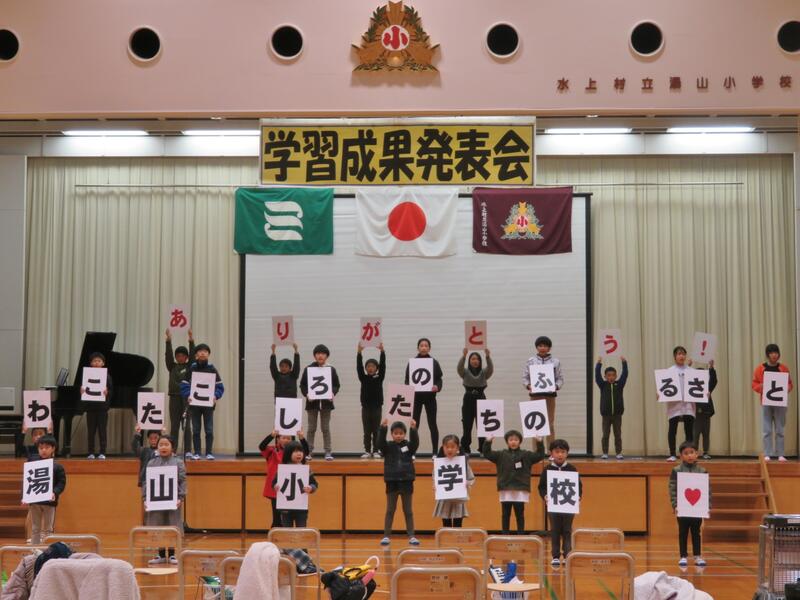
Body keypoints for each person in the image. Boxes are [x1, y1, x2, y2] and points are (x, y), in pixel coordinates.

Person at [483, 430, 544, 535]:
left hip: (520, 489)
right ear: (507, 441)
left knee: (520, 514)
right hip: (506, 489)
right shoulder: (501, 454)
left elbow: (540, 455)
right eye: (511, 440)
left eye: (516, 440)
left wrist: (539, 442)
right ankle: (505, 535)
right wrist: (488, 442)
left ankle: (521, 535)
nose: (513, 442)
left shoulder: (526, 454)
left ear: (520, 441)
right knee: (505, 515)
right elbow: (487, 454)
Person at [538, 439, 582, 566]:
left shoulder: (572, 469)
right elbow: (541, 487)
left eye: (563, 452)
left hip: (568, 505)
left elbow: (579, 486)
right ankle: (555, 556)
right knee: (555, 530)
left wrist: (578, 497)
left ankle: (567, 554)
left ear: (567, 453)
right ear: (551, 453)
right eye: (557, 452)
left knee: (567, 530)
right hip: (553, 505)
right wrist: (545, 496)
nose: (560, 455)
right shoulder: (547, 469)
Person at [144, 435, 186, 565]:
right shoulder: (151, 463)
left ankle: (172, 554)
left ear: (172, 447)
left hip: (173, 501)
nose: (163, 447)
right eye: (161, 444)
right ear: (157, 447)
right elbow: (146, 482)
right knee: (158, 525)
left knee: (172, 524)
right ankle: (161, 554)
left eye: (166, 444)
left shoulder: (178, 462)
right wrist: (145, 498)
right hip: (156, 501)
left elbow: (182, 480)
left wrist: (181, 497)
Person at [378, 419, 420, 546]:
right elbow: (380, 443)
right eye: (395, 433)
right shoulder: (387, 447)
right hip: (392, 482)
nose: (398, 435)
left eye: (401, 433)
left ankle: (411, 536)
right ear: (391, 434)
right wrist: (383, 428)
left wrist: (413, 429)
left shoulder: (409, 446)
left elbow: (415, 443)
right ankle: (386, 536)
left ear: (404, 434)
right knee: (390, 510)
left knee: (408, 511)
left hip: (407, 482)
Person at [179, 343, 224, 460]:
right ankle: (197, 452)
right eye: (200, 351)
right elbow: (184, 385)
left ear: (208, 354)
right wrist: (188, 395)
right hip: (194, 405)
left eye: (205, 351)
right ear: (196, 355)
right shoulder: (192, 368)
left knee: (209, 430)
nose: (203, 353)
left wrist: (215, 396)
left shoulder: (212, 369)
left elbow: (220, 387)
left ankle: (209, 452)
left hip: (208, 405)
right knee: (196, 430)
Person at [669, 441, 709, 567]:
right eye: (686, 453)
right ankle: (683, 556)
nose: (689, 455)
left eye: (692, 452)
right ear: (681, 456)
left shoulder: (702, 471)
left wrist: (707, 506)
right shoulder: (676, 470)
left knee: (696, 532)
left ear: (697, 454)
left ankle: (697, 556)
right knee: (683, 532)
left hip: (697, 509)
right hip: (682, 508)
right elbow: (672, 488)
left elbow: (707, 490)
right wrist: (675, 504)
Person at [259, 429, 309, 529]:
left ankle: (288, 537)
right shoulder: (272, 451)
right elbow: (262, 447)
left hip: (291, 489)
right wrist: (271, 435)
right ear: (278, 439)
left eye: (288, 438)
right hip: (276, 488)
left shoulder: (294, 453)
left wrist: (302, 438)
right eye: (283, 438)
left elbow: (306, 452)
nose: (286, 440)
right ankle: (275, 537)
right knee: (277, 518)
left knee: (288, 518)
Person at [752, 343, 794, 462]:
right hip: (766, 402)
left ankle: (780, 453)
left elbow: (790, 384)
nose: (774, 355)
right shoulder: (760, 368)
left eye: (776, 352)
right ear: (767, 355)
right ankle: (767, 453)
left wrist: (787, 388)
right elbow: (754, 384)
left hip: (780, 403)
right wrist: (760, 387)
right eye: (771, 353)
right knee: (767, 430)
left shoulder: (783, 368)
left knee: (780, 429)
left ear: (778, 354)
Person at [23, 434, 66, 544]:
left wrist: (54, 492)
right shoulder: (32, 463)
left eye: (47, 447)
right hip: (35, 501)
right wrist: (25, 496)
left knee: (48, 529)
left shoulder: (57, 466)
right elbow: (27, 480)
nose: (44, 450)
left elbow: (61, 483)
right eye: (41, 448)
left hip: (49, 502)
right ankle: (35, 550)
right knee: (35, 528)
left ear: (53, 448)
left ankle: (48, 550)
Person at [300, 344, 340, 461]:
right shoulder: (308, 369)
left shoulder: (331, 369)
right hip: (312, 403)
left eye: (323, 353)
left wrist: (332, 393)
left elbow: (336, 385)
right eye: (318, 353)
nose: (320, 356)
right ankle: (308, 451)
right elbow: (302, 385)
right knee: (311, 428)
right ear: (314, 356)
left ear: (327, 356)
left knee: (325, 428)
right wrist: (307, 394)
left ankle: (328, 452)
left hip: (326, 404)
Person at [404, 338, 443, 453]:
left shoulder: (434, 362)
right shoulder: (412, 362)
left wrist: (437, 387)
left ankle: (435, 452)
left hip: (430, 398)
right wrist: (409, 387)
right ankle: (412, 452)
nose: (424, 348)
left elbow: (439, 379)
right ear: (418, 348)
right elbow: (407, 379)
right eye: (421, 345)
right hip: (416, 398)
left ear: (429, 348)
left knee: (432, 424)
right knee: (414, 425)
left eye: (426, 346)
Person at [522, 336, 563, 445]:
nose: (543, 348)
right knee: (536, 424)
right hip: (535, 396)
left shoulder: (555, 361)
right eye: (540, 346)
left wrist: (556, 386)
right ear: (536, 347)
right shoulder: (531, 361)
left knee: (550, 424)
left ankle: (551, 451)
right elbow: (525, 378)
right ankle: (537, 451)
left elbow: (560, 378)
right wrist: (529, 386)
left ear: (549, 348)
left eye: (545, 346)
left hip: (550, 396)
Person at [165, 328, 195, 459]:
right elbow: (168, 356)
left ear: (186, 357)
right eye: (178, 356)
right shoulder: (172, 366)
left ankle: (188, 450)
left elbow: (193, 355)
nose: (180, 357)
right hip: (174, 398)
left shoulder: (190, 366)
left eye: (183, 355)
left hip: (186, 398)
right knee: (174, 426)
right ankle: (173, 449)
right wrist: (168, 341)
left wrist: (191, 340)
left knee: (186, 425)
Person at [457, 347, 494, 455]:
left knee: (482, 426)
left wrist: (488, 356)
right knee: (467, 426)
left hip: (481, 399)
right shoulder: (465, 372)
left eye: (477, 359)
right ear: (469, 361)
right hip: (468, 400)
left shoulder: (483, 373)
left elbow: (490, 369)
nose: (475, 361)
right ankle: (465, 449)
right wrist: (464, 356)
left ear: (480, 361)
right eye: (472, 359)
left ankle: (483, 449)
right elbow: (459, 368)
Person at [433, 434, 474, 528]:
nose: (449, 449)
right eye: (447, 447)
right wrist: (435, 485)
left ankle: (457, 538)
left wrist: (467, 483)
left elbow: (471, 478)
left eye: (452, 447)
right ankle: (446, 537)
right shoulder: (439, 462)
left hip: (458, 499)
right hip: (444, 498)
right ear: (443, 448)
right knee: (446, 524)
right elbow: (435, 477)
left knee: (458, 524)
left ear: (457, 448)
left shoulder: (463, 463)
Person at [273, 440, 317, 528]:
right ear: (288, 453)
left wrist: (311, 488)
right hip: (285, 508)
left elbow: (314, 484)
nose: (299, 454)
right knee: (286, 532)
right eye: (296, 451)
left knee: (301, 531)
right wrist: (275, 486)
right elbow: (274, 483)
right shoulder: (283, 469)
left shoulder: (306, 469)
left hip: (301, 509)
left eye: (301, 451)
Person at [595, 357, 628, 459]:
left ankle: (618, 453)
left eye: (613, 375)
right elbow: (597, 376)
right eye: (609, 375)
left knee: (617, 435)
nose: (611, 377)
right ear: (605, 376)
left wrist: (624, 363)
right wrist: (598, 364)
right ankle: (605, 453)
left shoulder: (619, 384)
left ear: (616, 376)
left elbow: (625, 374)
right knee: (605, 435)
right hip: (606, 415)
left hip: (617, 415)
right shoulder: (602, 385)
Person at [665, 346, 694, 462]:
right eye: (679, 354)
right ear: (675, 357)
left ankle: (689, 454)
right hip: (674, 403)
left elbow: (699, 386)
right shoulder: (669, 371)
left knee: (689, 429)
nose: (681, 356)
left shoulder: (691, 371)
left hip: (688, 403)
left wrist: (704, 393)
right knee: (672, 428)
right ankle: (672, 454)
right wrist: (660, 393)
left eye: (683, 354)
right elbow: (663, 386)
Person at [357, 343, 386, 459]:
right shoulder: (363, 378)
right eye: (368, 366)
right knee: (367, 430)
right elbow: (358, 367)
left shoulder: (379, 377)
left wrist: (382, 352)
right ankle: (367, 450)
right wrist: (359, 353)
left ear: (376, 368)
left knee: (376, 430)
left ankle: (376, 450)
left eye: (373, 366)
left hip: (377, 407)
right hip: (366, 407)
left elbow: (383, 366)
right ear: (366, 368)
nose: (370, 368)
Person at [80, 352, 111, 459]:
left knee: (102, 431)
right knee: (91, 431)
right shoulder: (86, 376)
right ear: (91, 363)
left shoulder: (107, 376)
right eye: (94, 361)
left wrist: (108, 393)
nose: (97, 363)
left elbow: (112, 391)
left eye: (99, 361)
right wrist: (81, 392)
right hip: (90, 408)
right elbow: (83, 389)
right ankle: (91, 452)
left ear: (103, 363)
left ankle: (103, 452)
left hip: (102, 409)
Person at [692, 361, 718, 460]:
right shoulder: (691, 387)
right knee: (695, 434)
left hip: (706, 412)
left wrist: (711, 368)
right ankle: (694, 452)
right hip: (695, 413)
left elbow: (714, 380)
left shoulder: (707, 387)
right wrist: (688, 367)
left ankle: (705, 452)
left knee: (706, 434)